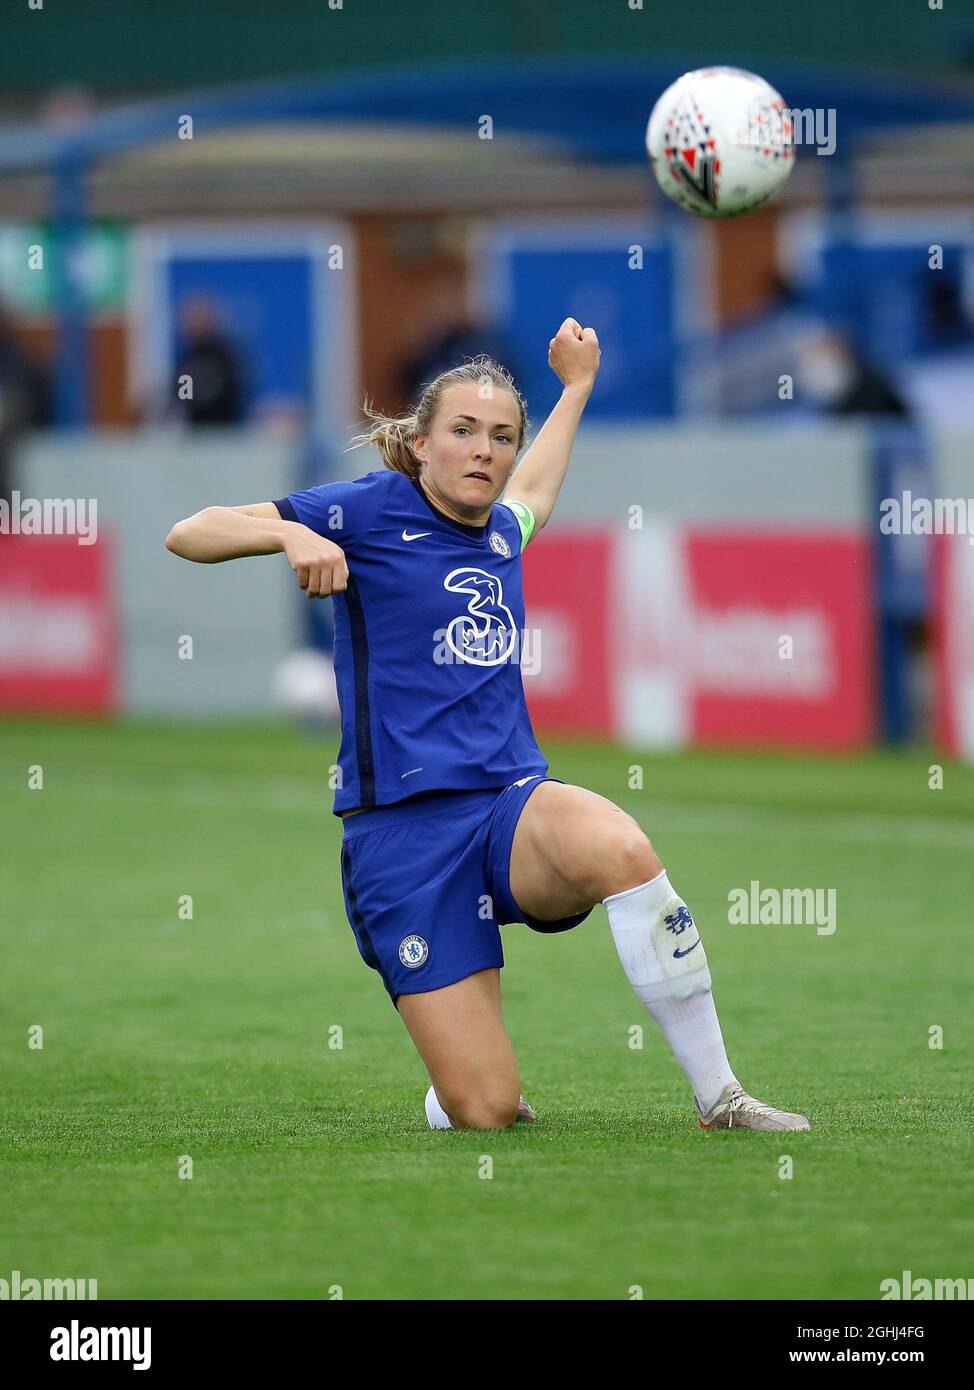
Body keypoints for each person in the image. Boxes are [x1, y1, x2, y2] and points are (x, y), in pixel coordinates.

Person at [164, 320, 810, 1134]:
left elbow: (535, 493)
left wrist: (576, 388)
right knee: (486, 1107)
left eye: (502, 437)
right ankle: (461, 1082)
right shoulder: (364, 511)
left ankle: (721, 1096)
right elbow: (189, 531)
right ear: (422, 443)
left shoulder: (504, 530)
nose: (484, 451)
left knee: (623, 849)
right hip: (401, 836)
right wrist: (289, 529)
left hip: (509, 805)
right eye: (463, 432)